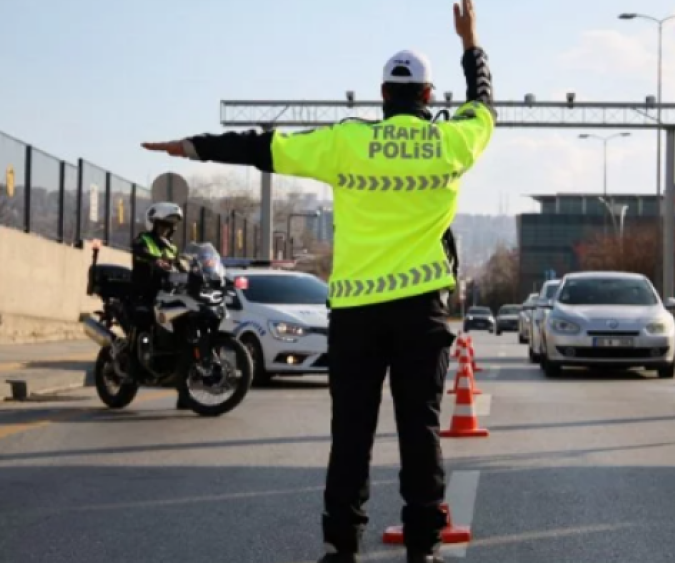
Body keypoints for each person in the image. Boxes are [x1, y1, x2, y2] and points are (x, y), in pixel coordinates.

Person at [141, 2, 493, 560]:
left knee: (350, 435)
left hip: (356, 314)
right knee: (418, 431)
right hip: (420, 312)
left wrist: (193, 146)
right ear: (428, 98)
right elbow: (482, 105)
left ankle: (340, 544)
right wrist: (470, 41)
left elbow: (263, 147)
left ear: (382, 94)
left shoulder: (346, 141)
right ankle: (423, 546)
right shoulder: (452, 143)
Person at [130, 202, 189, 410]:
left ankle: (184, 392)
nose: (166, 229)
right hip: (144, 294)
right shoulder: (143, 239)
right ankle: (135, 365)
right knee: (144, 324)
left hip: (167, 297)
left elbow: (181, 264)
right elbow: (138, 249)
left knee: (183, 339)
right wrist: (154, 259)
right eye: (162, 225)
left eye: (169, 226)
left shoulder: (171, 247)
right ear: (153, 224)